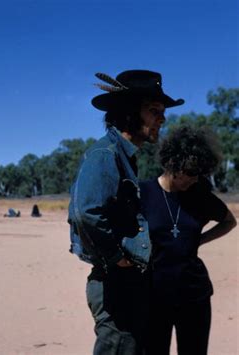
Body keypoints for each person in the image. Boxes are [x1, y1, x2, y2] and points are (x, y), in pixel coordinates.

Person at [68, 70, 184, 354]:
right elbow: (86, 212)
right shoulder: (105, 154)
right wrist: (116, 256)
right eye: (154, 110)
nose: (162, 118)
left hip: (129, 283)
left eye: (162, 111)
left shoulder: (124, 156)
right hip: (115, 283)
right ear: (130, 112)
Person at [140, 125, 236, 355]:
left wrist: (200, 240)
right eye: (190, 172)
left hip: (194, 295)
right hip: (154, 296)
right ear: (172, 163)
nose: (194, 179)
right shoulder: (143, 193)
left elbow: (229, 221)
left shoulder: (200, 197)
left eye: (199, 174)